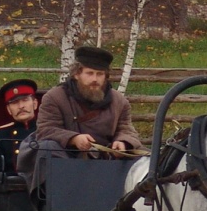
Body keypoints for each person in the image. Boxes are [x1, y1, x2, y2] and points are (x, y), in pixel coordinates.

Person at [18, 46, 142, 179]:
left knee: (146, 159)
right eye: (89, 73)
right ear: (77, 74)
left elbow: (126, 129)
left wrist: (122, 142)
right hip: (67, 158)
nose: (95, 79)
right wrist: (73, 139)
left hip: (107, 159)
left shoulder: (119, 101)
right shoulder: (55, 97)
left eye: (100, 74)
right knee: (48, 148)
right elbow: (46, 130)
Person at [0, 78, 40, 180]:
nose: (21, 106)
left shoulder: (48, 130)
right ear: (8, 109)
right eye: (15, 102)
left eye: (25, 100)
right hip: (15, 191)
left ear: (35, 103)